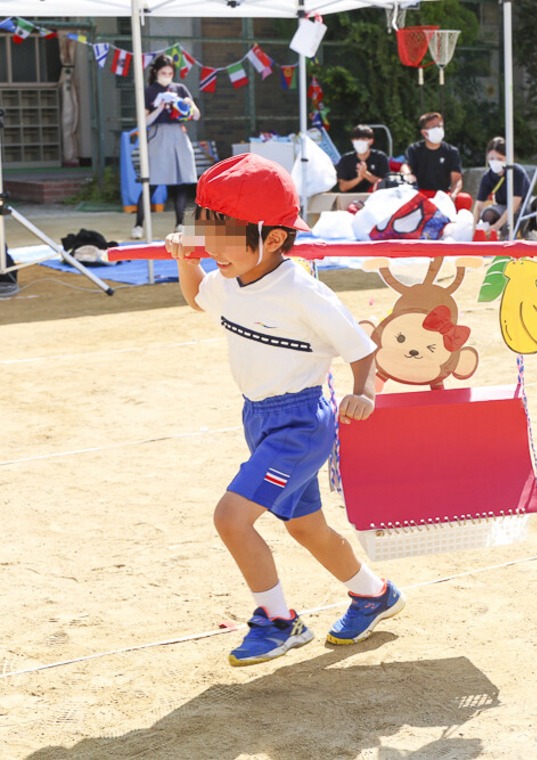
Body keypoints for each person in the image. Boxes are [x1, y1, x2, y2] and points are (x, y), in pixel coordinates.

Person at [164, 153, 404, 666]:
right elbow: (197, 300)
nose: (211, 248)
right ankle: (374, 592)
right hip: (258, 418)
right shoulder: (229, 278)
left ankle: (278, 620)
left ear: (273, 239)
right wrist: (188, 262)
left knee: (232, 518)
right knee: (305, 527)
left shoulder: (301, 292)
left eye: (223, 237)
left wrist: (365, 392)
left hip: (299, 425)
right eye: (206, 231)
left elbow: (360, 348)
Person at [131, 54, 201, 239]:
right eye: (163, 72)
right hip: (158, 136)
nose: (167, 76)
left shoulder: (180, 88)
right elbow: (144, 121)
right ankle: (138, 224)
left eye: (170, 73)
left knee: (181, 182)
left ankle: (180, 223)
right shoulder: (149, 91)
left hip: (179, 135)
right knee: (151, 182)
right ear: (155, 72)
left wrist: (188, 105)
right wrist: (160, 106)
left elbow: (196, 116)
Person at [472, 136, 537, 240]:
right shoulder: (488, 177)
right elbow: (478, 206)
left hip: (523, 206)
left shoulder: (517, 172)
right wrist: (473, 228)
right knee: (487, 214)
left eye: (499, 159)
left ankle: (527, 231)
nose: (495, 162)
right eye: (491, 159)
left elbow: (515, 204)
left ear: (508, 158)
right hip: (503, 205)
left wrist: (495, 227)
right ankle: (505, 234)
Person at [400, 111, 472, 211]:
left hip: (442, 194)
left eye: (440, 126)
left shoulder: (451, 151)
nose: (439, 129)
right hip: (419, 193)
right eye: (434, 127)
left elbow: (456, 179)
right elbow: (405, 166)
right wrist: (408, 175)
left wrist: (454, 194)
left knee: (464, 199)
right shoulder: (414, 149)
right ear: (424, 133)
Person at [335, 124, 391, 194]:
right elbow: (342, 187)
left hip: (375, 197)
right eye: (357, 139)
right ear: (352, 141)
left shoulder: (380, 157)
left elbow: (386, 184)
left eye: (364, 139)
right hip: (350, 198)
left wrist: (366, 174)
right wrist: (359, 178)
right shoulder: (346, 159)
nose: (360, 142)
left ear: (371, 141)